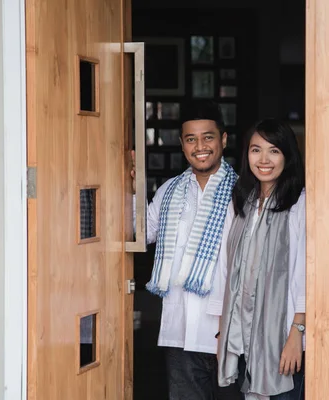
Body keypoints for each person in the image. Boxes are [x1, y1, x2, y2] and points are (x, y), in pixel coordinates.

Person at [131, 100, 241, 400]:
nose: (200, 146)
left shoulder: (244, 194)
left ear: (224, 139)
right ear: (182, 144)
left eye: (208, 137)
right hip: (180, 335)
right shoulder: (169, 191)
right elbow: (141, 233)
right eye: (191, 139)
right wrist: (128, 184)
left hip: (230, 335)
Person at [216, 118, 306, 400]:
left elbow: (303, 273)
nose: (264, 159)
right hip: (243, 336)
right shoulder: (243, 201)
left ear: (287, 156)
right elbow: (226, 268)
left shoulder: (299, 203)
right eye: (256, 150)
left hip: (283, 338)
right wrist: (224, 328)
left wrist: (297, 334)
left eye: (274, 151)